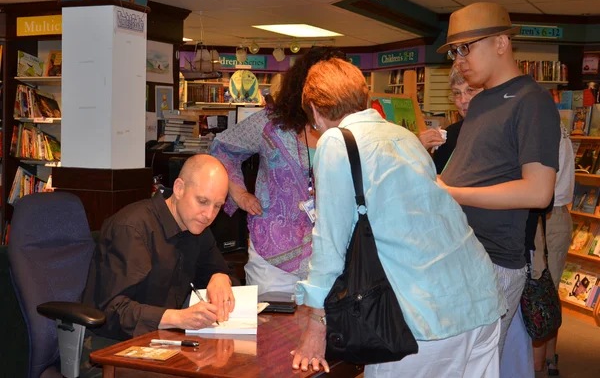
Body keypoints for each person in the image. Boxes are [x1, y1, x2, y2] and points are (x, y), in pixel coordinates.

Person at [292, 57, 506, 377]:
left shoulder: (336, 142)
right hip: (480, 299)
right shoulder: (402, 135)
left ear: (314, 108)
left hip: (425, 318)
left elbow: (329, 245)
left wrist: (315, 328)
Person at [437, 2, 561, 358]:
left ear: (501, 43)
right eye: (454, 52)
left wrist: (451, 193)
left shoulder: (531, 100)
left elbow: (538, 191)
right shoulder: (481, 103)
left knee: (472, 363)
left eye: (466, 48)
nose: (459, 59)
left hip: (492, 262)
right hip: (460, 253)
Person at [210, 47, 347, 295]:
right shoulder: (271, 123)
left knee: (323, 330)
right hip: (272, 257)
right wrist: (239, 194)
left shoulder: (347, 127)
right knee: (270, 329)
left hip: (333, 254)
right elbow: (223, 148)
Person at [81, 154, 238, 341]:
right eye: (202, 201)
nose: (209, 215)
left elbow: (223, 273)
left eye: (217, 206)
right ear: (179, 189)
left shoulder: (197, 227)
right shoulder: (132, 229)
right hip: (113, 345)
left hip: (165, 339)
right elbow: (113, 311)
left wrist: (221, 277)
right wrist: (179, 318)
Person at [531, 122, 575, 377]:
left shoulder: (543, 128)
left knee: (540, 290)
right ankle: (548, 358)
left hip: (546, 216)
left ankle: (538, 363)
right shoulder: (554, 125)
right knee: (548, 290)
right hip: (552, 214)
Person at [418, 64, 483, 173]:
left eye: (471, 90)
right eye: (457, 93)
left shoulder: (505, 130)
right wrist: (418, 149)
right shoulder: (450, 135)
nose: (463, 100)